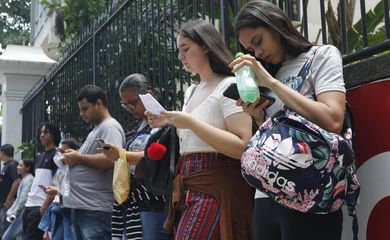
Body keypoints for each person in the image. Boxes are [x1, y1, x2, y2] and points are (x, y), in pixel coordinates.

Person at [229, 1, 346, 240]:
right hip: (268, 190)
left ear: (275, 24)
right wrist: (258, 115)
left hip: (312, 188)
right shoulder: (271, 74)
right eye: (250, 49)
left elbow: (333, 120)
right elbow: (277, 137)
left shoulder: (321, 56)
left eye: (258, 41)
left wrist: (272, 84)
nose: (257, 53)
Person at [146, 19, 254, 240]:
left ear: (205, 45)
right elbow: (196, 131)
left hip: (216, 185)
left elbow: (243, 145)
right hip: (186, 185)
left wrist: (190, 122)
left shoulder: (230, 85)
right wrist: (169, 121)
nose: (180, 56)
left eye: (185, 49)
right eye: (179, 50)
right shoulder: (191, 91)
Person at [100, 73, 171, 240]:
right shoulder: (141, 126)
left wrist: (122, 154)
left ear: (150, 94)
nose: (131, 109)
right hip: (134, 204)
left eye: (132, 103)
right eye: (126, 105)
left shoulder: (167, 122)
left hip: (155, 203)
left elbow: (157, 156)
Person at [62, 85, 125, 240]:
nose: (82, 114)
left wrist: (79, 157)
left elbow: (111, 159)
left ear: (99, 104)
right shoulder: (97, 129)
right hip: (86, 207)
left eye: (85, 108)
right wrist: (75, 156)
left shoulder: (110, 127)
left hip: (96, 209)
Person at [23, 122, 61, 239]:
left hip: (40, 205)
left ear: (54, 134)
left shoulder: (57, 156)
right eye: (40, 132)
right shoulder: (40, 156)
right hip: (29, 205)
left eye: (46, 132)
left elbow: (56, 183)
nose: (42, 135)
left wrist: (44, 207)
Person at [38, 138, 82, 240]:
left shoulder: (78, 169)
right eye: (60, 151)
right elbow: (58, 188)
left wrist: (57, 192)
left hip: (72, 213)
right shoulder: (61, 169)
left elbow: (75, 193)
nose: (61, 155)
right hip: (60, 211)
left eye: (64, 151)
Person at [2, 159, 34, 240]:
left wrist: (13, 211)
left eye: (20, 165)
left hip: (22, 214)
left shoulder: (29, 179)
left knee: (6, 237)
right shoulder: (24, 179)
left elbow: (23, 199)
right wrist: (12, 210)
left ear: (27, 168)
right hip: (20, 213)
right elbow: (18, 198)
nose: (17, 167)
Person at [0, 144, 19, 236]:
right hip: (3, 202)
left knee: (5, 227)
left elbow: (16, 181)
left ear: (2, 152)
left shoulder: (12, 164)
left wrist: (9, 197)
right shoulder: (6, 165)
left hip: (7, 203)